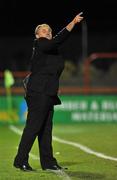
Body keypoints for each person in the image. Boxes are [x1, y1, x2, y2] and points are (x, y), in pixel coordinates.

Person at [13, 13, 84, 171]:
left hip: (47, 92)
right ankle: (20, 160)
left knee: (46, 129)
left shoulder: (50, 49)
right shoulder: (40, 44)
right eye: (44, 30)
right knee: (33, 127)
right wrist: (71, 23)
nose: (47, 31)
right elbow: (58, 39)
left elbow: (52, 65)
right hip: (39, 91)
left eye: (49, 30)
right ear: (37, 35)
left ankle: (48, 162)